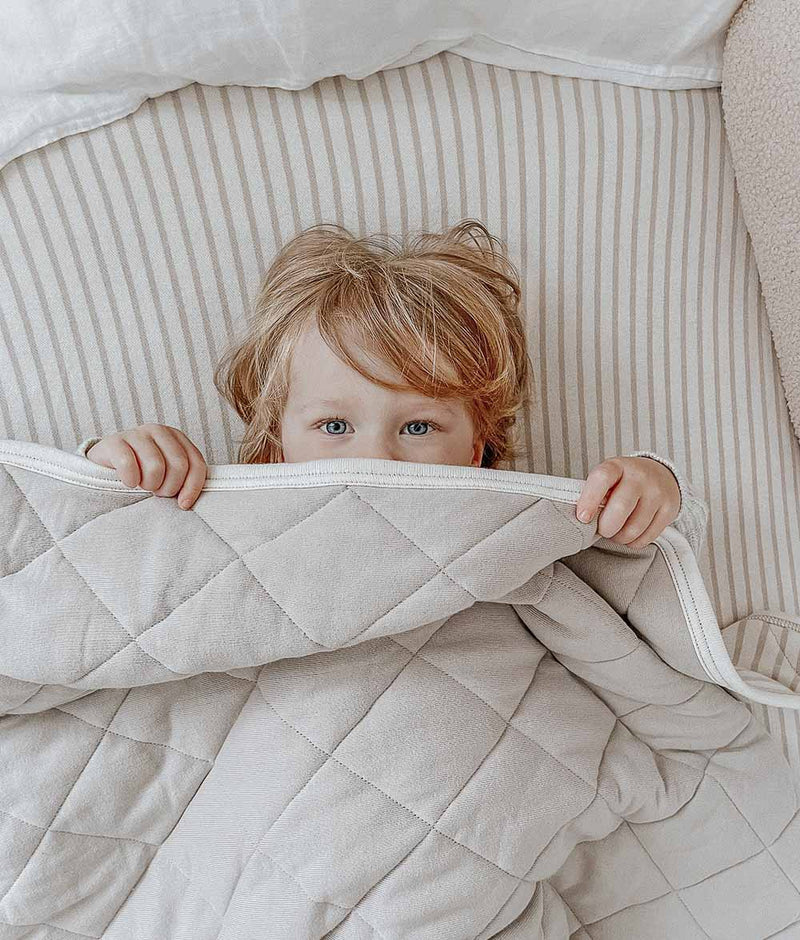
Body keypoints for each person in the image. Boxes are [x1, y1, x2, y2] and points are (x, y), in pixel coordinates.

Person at [77, 220, 705, 552]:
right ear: (273, 445)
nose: (374, 461)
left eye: (418, 426)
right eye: (333, 426)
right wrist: (108, 479)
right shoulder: (214, 515)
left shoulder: (521, 524)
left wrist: (651, 486)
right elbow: (76, 567)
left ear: (480, 448)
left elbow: (655, 564)